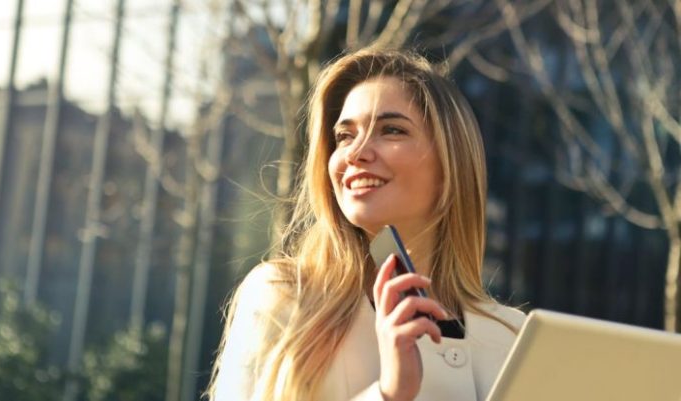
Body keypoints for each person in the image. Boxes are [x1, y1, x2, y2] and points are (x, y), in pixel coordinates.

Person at [206, 47, 525, 401]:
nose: (355, 153)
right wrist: (388, 392)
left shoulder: (514, 339)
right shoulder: (284, 297)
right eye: (344, 136)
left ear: (452, 163)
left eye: (391, 130)